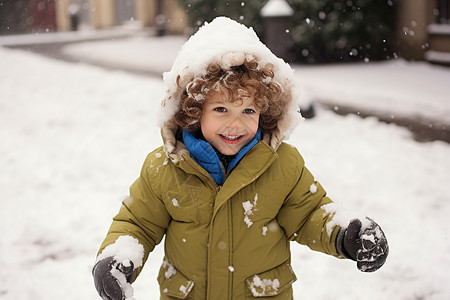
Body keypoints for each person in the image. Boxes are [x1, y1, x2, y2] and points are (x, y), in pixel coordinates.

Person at [92, 17, 388, 300]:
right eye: (221, 110)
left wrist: (348, 234)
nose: (235, 124)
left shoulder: (282, 165)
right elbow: (138, 223)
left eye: (248, 111)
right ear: (194, 112)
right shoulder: (164, 169)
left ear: (264, 113)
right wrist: (117, 258)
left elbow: (310, 213)